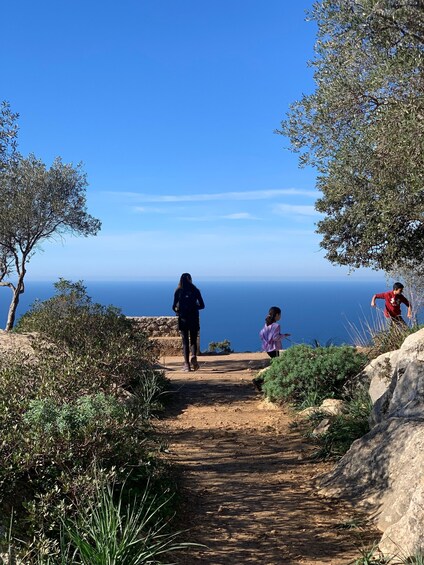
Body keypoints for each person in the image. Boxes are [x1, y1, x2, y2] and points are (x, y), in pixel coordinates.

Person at [172, 273, 205, 371]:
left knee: (185, 341)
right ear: (190, 279)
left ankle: (186, 365)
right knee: (193, 340)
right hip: (194, 318)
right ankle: (194, 355)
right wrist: (194, 308)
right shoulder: (196, 291)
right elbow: (202, 305)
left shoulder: (178, 291)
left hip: (183, 319)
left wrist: (179, 311)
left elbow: (173, 307)